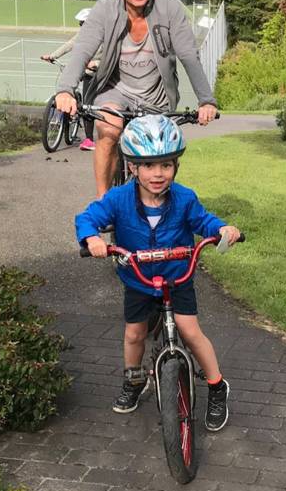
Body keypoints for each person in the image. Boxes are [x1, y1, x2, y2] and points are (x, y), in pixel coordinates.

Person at [74, 115, 240, 430]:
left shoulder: (184, 198)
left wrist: (222, 230)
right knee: (134, 334)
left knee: (190, 331)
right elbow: (88, 217)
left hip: (177, 277)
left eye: (165, 165)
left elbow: (204, 222)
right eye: (148, 166)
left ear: (176, 166)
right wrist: (92, 238)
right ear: (133, 167)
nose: (158, 174)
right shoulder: (119, 198)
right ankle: (134, 380)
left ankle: (218, 386)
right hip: (139, 280)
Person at [54, 0, 219, 198]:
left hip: (156, 94)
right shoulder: (103, 11)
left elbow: (188, 56)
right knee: (108, 131)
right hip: (114, 90)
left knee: (159, 153)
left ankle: (159, 208)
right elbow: (82, 51)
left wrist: (206, 100)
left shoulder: (170, 9)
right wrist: (65, 90)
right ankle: (104, 204)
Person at [41, 8, 101, 151]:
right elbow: (69, 44)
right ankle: (79, 133)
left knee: (92, 104)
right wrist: (53, 56)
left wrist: (96, 64)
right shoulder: (82, 35)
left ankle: (95, 138)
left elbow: (112, 57)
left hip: (99, 74)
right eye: (80, 24)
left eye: (84, 23)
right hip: (85, 71)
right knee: (78, 97)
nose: (81, 26)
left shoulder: (103, 36)